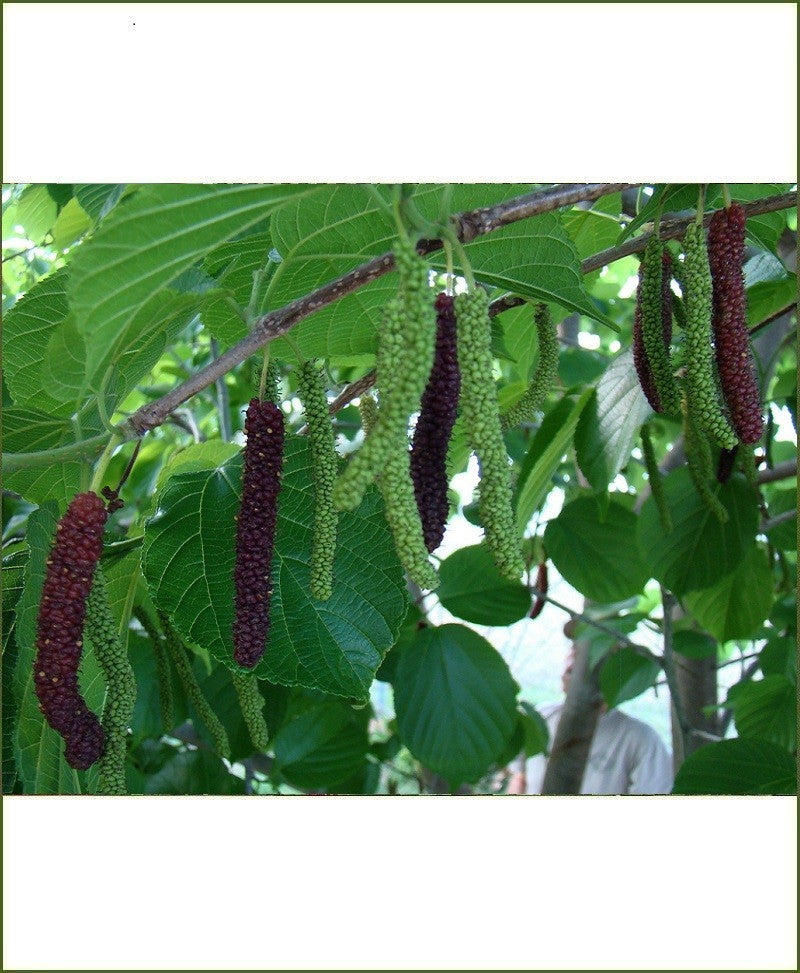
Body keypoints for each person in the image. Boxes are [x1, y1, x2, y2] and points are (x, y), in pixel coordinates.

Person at [508, 647, 674, 795]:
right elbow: (519, 776)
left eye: (589, 655)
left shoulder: (641, 739)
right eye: (574, 650)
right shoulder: (542, 716)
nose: (572, 663)